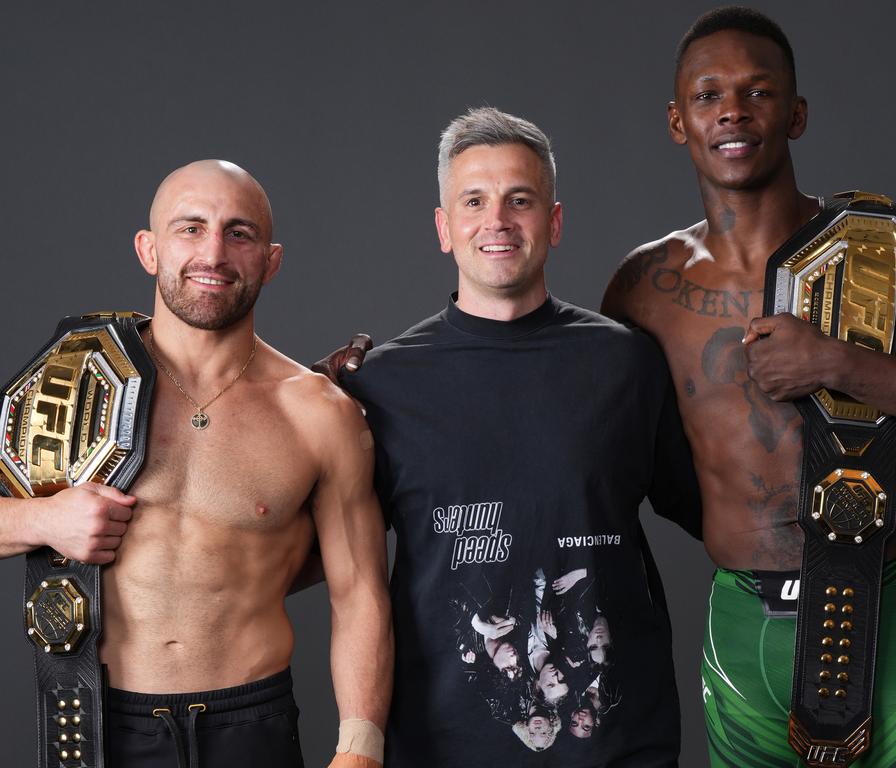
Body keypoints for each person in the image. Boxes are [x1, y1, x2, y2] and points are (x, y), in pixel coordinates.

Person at [600, 7, 896, 767]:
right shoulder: (643, 286)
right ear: (677, 121)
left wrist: (841, 364)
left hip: (885, 605)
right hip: (742, 625)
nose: (732, 109)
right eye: (707, 95)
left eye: (757, 91)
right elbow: (609, 444)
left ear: (795, 114)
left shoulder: (877, 253)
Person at [334, 107, 703, 766]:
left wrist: (876, 529)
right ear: (445, 229)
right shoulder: (384, 384)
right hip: (442, 744)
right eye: (473, 201)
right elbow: (328, 560)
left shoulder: (627, 364)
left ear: (553, 222)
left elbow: (715, 507)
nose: (497, 220)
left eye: (520, 200)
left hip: (616, 744)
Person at [0, 160, 391, 768]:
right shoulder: (74, 381)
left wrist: (360, 749)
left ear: (271, 258)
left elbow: (360, 591)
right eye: (190, 228)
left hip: (252, 722)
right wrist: (40, 522)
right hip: (102, 722)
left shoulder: (319, 413)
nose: (213, 252)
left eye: (240, 233)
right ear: (148, 249)